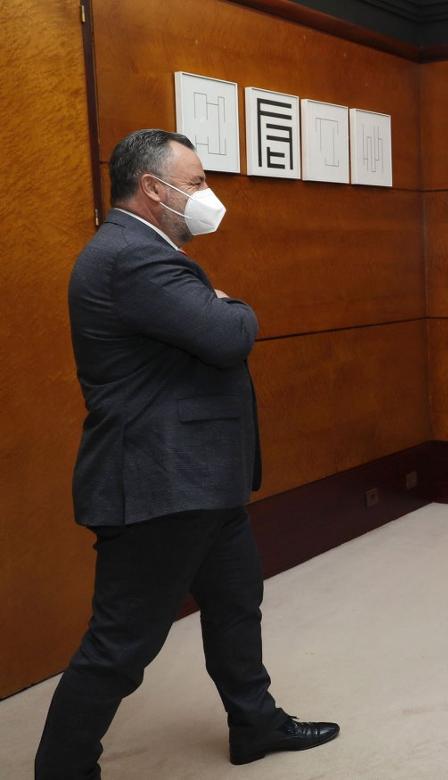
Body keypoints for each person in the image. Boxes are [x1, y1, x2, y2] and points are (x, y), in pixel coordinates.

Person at [36, 129, 338, 778]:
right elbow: (227, 335)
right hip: (158, 484)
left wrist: (217, 305)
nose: (207, 194)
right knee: (120, 646)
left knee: (235, 604)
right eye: (197, 182)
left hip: (200, 481)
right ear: (153, 188)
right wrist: (234, 307)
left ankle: (254, 724)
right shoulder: (132, 257)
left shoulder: (145, 251)